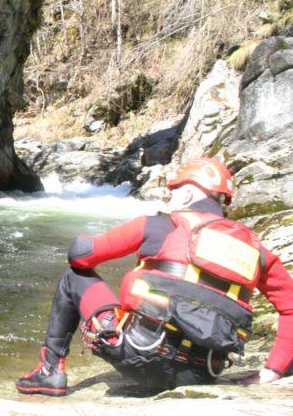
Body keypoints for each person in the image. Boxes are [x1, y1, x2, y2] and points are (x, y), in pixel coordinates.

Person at [15, 157, 293, 396]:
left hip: (137, 355)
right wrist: (273, 370)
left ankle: (49, 371)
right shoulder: (257, 253)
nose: (170, 198)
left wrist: (78, 240)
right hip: (202, 374)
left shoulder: (156, 225)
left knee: (74, 275)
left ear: (187, 195)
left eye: (173, 192)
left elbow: (81, 257)